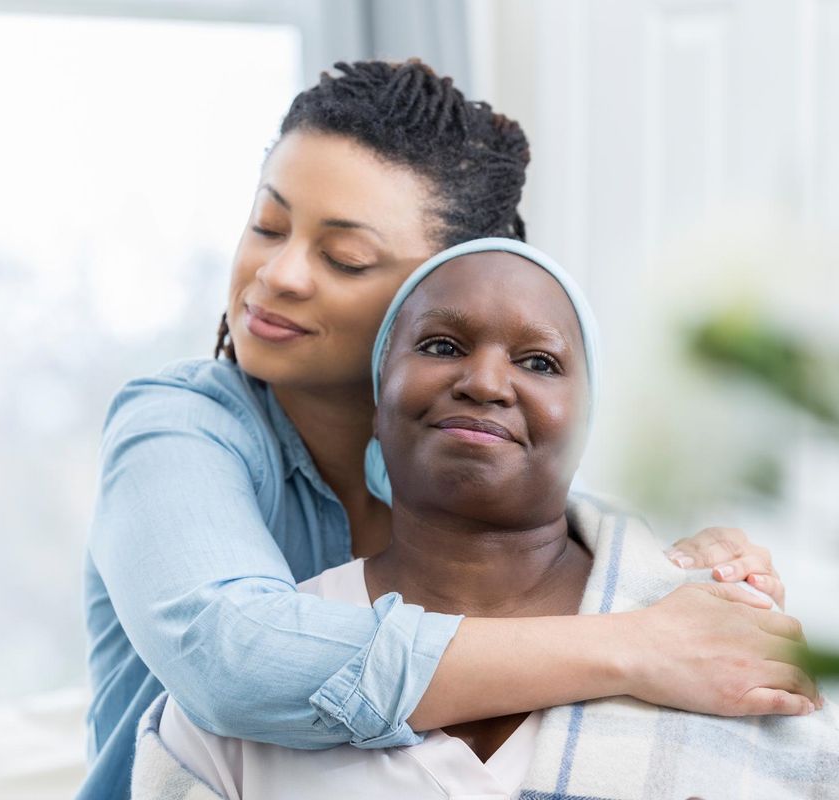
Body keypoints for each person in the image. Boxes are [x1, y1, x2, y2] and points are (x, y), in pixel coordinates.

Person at [82, 61, 803, 800]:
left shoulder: (483, 457)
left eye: (345, 258)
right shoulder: (178, 427)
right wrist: (640, 647)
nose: (280, 275)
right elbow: (234, 661)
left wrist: (698, 567)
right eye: (268, 226)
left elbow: (592, 549)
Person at [133, 238, 836, 799]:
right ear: (377, 401)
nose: (487, 382)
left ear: (587, 424)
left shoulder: (724, 642)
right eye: (441, 346)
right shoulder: (239, 704)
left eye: (539, 362)